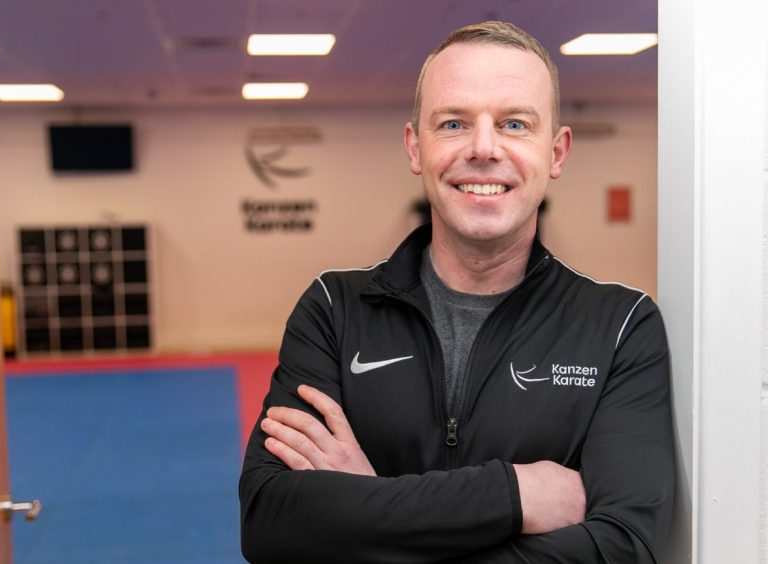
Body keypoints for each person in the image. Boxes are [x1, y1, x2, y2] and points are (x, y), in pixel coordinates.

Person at [239, 21, 675, 563]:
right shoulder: (334, 310)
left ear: (557, 152)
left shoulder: (619, 328)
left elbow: (622, 549)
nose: (484, 148)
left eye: (515, 123)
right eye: (453, 123)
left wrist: (368, 508)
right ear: (415, 147)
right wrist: (515, 495)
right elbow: (271, 524)